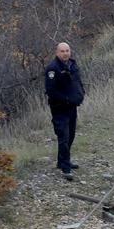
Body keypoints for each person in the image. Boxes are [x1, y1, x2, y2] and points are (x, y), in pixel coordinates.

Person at [44, 42, 85, 180]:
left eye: (67, 50)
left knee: (71, 134)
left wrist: (80, 94)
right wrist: (67, 99)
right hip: (59, 108)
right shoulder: (52, 69)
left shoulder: (73, 65)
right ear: (57, 52)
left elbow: (77, 82)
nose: (65, 53)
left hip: (72, 107)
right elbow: (51, 91)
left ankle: (61, 161)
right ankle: (65, 168)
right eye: (62, 51)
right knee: (63, 136)